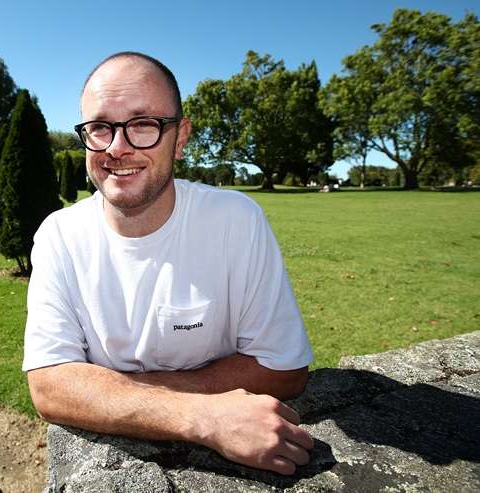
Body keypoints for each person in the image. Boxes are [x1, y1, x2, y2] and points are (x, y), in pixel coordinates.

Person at [23, 52, 314, 475]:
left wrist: (105, 391)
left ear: (180, 137)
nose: (117, 148)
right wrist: (201, 415)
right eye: (100, 127)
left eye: (143, 124)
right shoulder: (59, 236)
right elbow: (50, 386)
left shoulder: (236, 220)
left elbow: (285, 370)